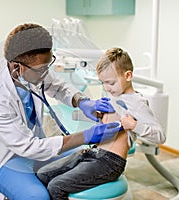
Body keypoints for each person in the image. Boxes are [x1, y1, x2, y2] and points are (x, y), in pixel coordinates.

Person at [0, 23, 122, 200]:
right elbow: (28, 146)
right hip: (1, 161)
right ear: (17, 67)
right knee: (38, 197)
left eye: (48, 64)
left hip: (32, 150)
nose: (46, 72)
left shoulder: (31, 68)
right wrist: (84, 135)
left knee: (84, 157)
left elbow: (58, 86)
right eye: (42, 69)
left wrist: (83, 102)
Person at [36, 47, 167, 200]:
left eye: (110, 83)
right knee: (42, 174)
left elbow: (160, 136)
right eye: (103, 83)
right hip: (91, 153)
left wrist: (134, 125)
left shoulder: (138, 103)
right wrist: (94, 112)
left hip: (110, 163)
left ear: (128, 75)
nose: (106, 88)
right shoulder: (113, 96)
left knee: (56, 186)